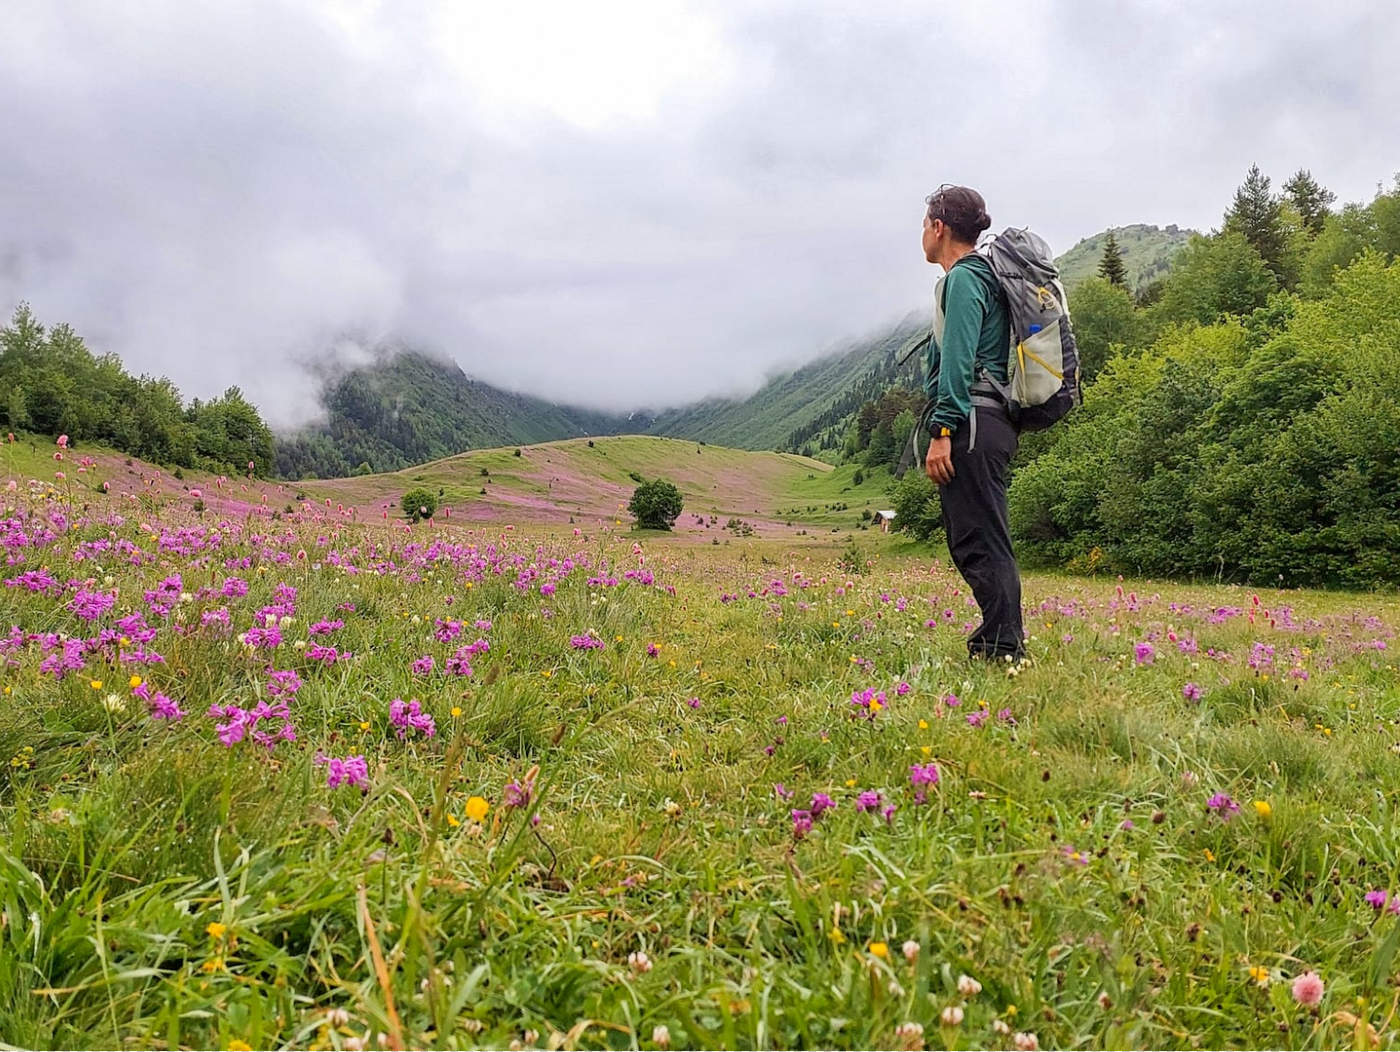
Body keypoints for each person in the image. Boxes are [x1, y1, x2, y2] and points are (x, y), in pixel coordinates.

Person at [920, 184, 1025, 661]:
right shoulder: (982, 276)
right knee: (978, 537)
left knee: (981, 540)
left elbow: (958, 360)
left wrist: (942, 431)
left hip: (973, 422)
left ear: (939, 227)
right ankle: (1001, 641)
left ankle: (1003, 647)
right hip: (990, 419)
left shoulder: (964, 278)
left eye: (925, 224)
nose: (923, 234)